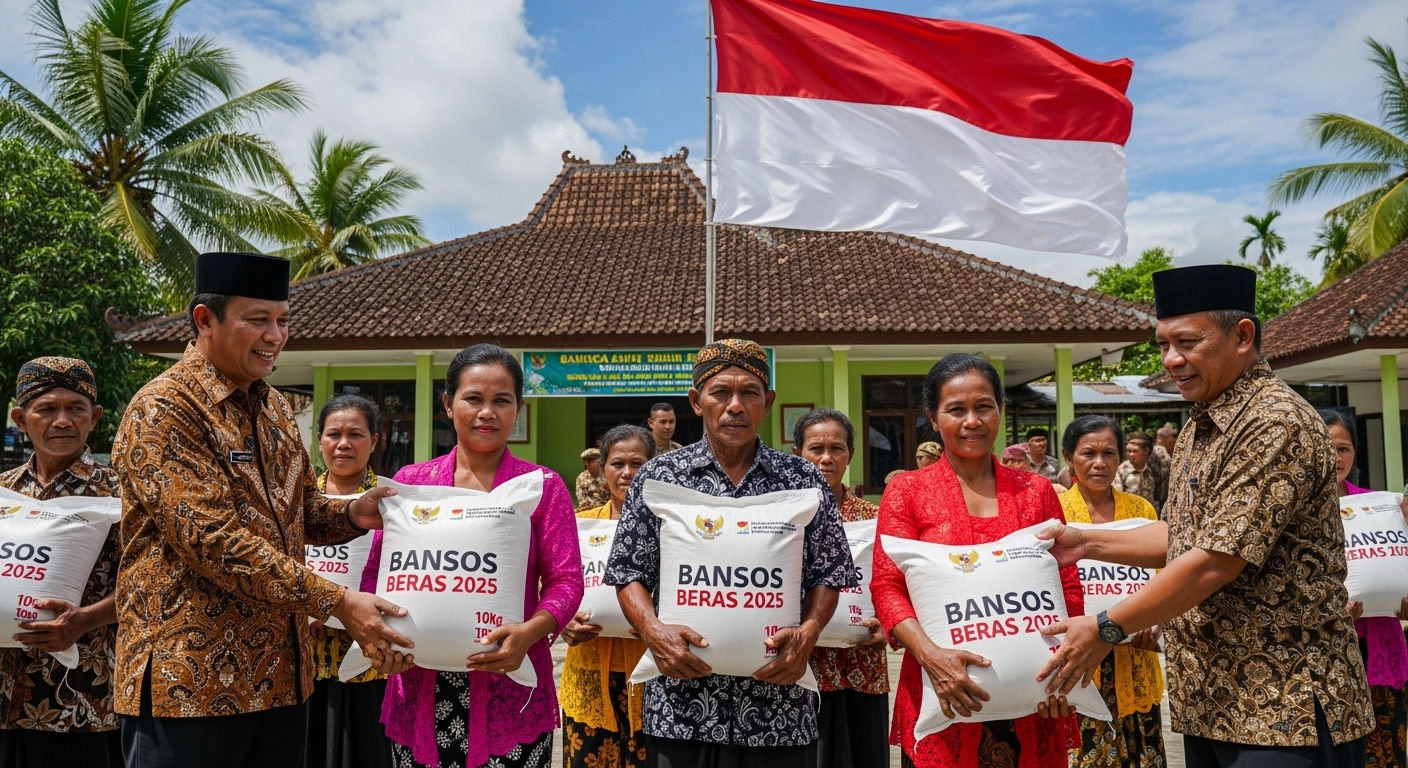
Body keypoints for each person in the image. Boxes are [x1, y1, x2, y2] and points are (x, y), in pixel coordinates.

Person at [1037, 264, 1373, 766]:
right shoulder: (1202, 421)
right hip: (1213, 702)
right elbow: (1181, 535)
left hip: (1287, 708)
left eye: (1188, 342)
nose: (1172, 360)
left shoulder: (1274, 422)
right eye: (1163, 344)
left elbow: (1217, 559)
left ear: (1242, 336)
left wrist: (1106, 627)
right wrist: (1085, 542)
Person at [112, 252, 411, 768]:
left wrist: (351, 514)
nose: (275, 336)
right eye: (258, 320)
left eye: (282, 320)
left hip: (280, 680)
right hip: (188, 684)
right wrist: (338, 602)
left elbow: (298, 510)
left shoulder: (274, 407)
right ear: (205, 319)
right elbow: (214, 541)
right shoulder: (165, 409)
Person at [604, 338, 855, 767]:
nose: (735, 406)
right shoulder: (659, 475)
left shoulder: (803, 479)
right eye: (720, 392)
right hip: (681, 708)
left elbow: (829, 572)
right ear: (696, 401)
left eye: (749, 393)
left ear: (767, 402)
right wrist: (652, 629)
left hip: (779, 708)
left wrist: (809, 632)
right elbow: (628, 571)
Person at [367, 343, 583, 768]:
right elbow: (376, 572)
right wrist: (379, 636)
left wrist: (529, 633)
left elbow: (567, 580)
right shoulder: (411, 483)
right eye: (473, 399)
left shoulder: (542, 486)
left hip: (511, 686)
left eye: (501, 401)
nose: (487, 412)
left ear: (518, 410)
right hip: (418, 684)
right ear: (448, 404)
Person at [871, 353, 1079, 767]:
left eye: (984, 406)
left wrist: (1064, 664)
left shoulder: (1036, 491)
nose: (972, 421)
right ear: (933, 418)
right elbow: (886, 585)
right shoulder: (907, 492)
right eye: (956, 409)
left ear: (1000, 409)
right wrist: (932, 656)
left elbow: (1066, 584)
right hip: (942, 690)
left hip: (1033, 696)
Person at [0, 358, 120, 768]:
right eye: (47, 409)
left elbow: (151, 582)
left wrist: (86, 619)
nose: (63, 421)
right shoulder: (4, 491)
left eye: (75, 408)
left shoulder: (120, 494)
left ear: (94, 417)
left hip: (77, 701)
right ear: (21, 419)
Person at [1057, 416, 1165, 768]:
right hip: (1078, 658)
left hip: (1134, 655)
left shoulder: (1141, 510)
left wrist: (1156, 621)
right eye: (1088, 453)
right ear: (1069, 457)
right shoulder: (1055, 513)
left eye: (1108, 453)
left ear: (1120, 458)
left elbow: (1159, 577)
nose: (1099, 463)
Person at [792, 408, 890, 768]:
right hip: (801, 668)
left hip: (862, 666)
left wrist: (888, 624)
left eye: (836, 448)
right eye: (815, 448)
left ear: (850, 454)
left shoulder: (873, 517)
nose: (826, 458)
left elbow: (891, 581)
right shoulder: (778, 516)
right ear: (798, 453)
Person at [560, 425, 656, 768]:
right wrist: (563, 619)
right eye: (617, 464)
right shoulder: (580, 524)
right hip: (588, 675)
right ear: (603, 469)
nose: (627, 472)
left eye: (637, 463)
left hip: (652, 677)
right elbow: (555, 584)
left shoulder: (671, 527)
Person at [307, 394, 393, 768]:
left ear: (374, 441)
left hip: (373, 662)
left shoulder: (394, 502)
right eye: (334, 434)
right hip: (305, 664)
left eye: (355, 434)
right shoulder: (295, 500)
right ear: (320, 441)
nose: (344, 444)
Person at [1322, 409, 1408, 768]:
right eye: (1326, 447)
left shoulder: (1378, 507)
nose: (1335, 458)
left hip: (1380, 651)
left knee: (1388, 756)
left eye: (1343, 448)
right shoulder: (1294, 512)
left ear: (1355, 452)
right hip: (1327, 663)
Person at [1113, 431, 1159, 513]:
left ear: (1146, 451)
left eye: (1134, 451)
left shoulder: (1152, 471)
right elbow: (1117, 499)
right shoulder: (1120, 471)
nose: (1130, 454)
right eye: (1128, 451)